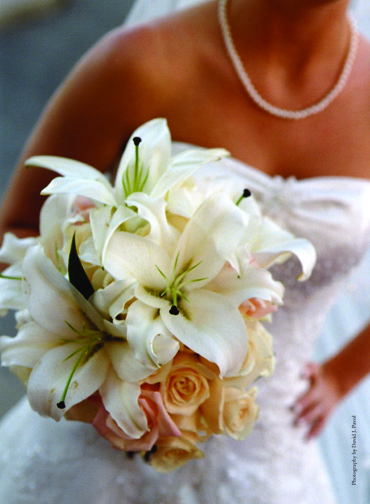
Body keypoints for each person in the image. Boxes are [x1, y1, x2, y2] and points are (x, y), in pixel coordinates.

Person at [0, 0, 370, 502]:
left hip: (266, 457)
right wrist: (114, 337)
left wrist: (342, 375)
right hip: (94, 447)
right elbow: (16, 228)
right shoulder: (140, 62)